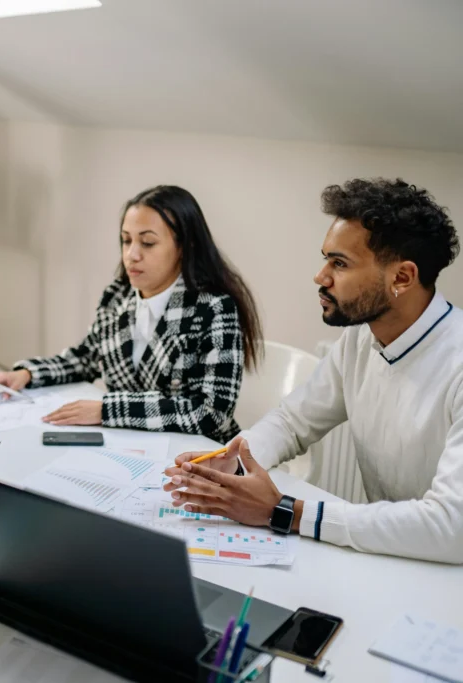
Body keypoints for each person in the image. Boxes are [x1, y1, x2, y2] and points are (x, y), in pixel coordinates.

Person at [166, 178, 463, 564]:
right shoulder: (360, 340)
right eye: (326, 259)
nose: (320, 277)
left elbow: (450, 526)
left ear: (402, 278)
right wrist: (235, 459)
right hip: (393, 559)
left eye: (339, 263)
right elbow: (293, 421)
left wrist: (286, 512)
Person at [0, 185, 262, 443]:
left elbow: (212, 414)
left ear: (185, 247)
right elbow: (88, 358)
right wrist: (28, 374)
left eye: (148, 243)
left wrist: (108, 410)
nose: (131, 255)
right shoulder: (118, 294)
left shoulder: (215, 307)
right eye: (126, 240)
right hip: (127, 445)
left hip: (199, 459)